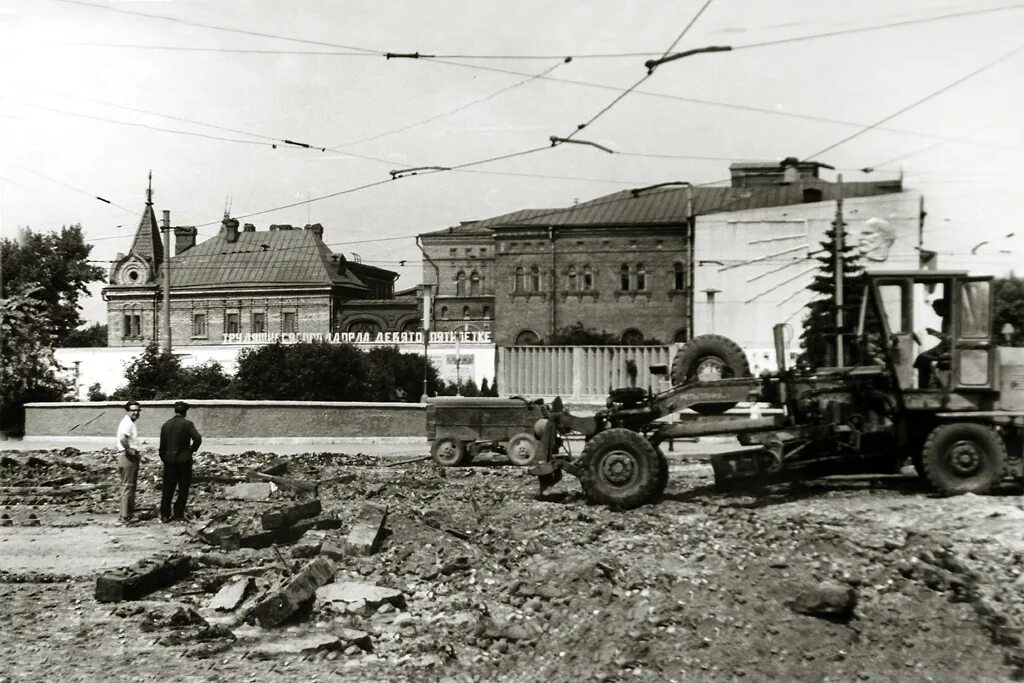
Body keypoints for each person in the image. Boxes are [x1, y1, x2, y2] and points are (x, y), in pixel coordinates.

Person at [158, 401, 202, 523]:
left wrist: (164, 457)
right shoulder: (187, 424)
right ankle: (178, 514)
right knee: (183, 489)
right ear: (185, 412)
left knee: (167, 489)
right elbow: (197, 438)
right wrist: (190, 451)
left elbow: (162, 445)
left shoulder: (166, 425)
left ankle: (165, 515)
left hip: (169, 461)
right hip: (184, 462)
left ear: (175, 411)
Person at [115, 400, 142, 525]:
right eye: (133, 410)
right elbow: (122, 438)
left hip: (128, 456)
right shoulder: (127, 423)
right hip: (127, 457)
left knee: (130, 486)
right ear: (127, 411)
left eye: (137, 410)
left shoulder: (129, 422)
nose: (136, 413)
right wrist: (129, 450)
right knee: (128, 486)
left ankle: (128, 514)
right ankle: (125, 517)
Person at [914, 296, 951, 388]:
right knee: (921, 358)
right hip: (943, 347)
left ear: (942, 308)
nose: (936, 313)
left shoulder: (952, 319)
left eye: (936, 310)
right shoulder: (946, 318)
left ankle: (924, 387)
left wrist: (933, 332)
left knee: (923, 359)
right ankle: (927, 384)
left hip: (949, 348)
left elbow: (949, 339)